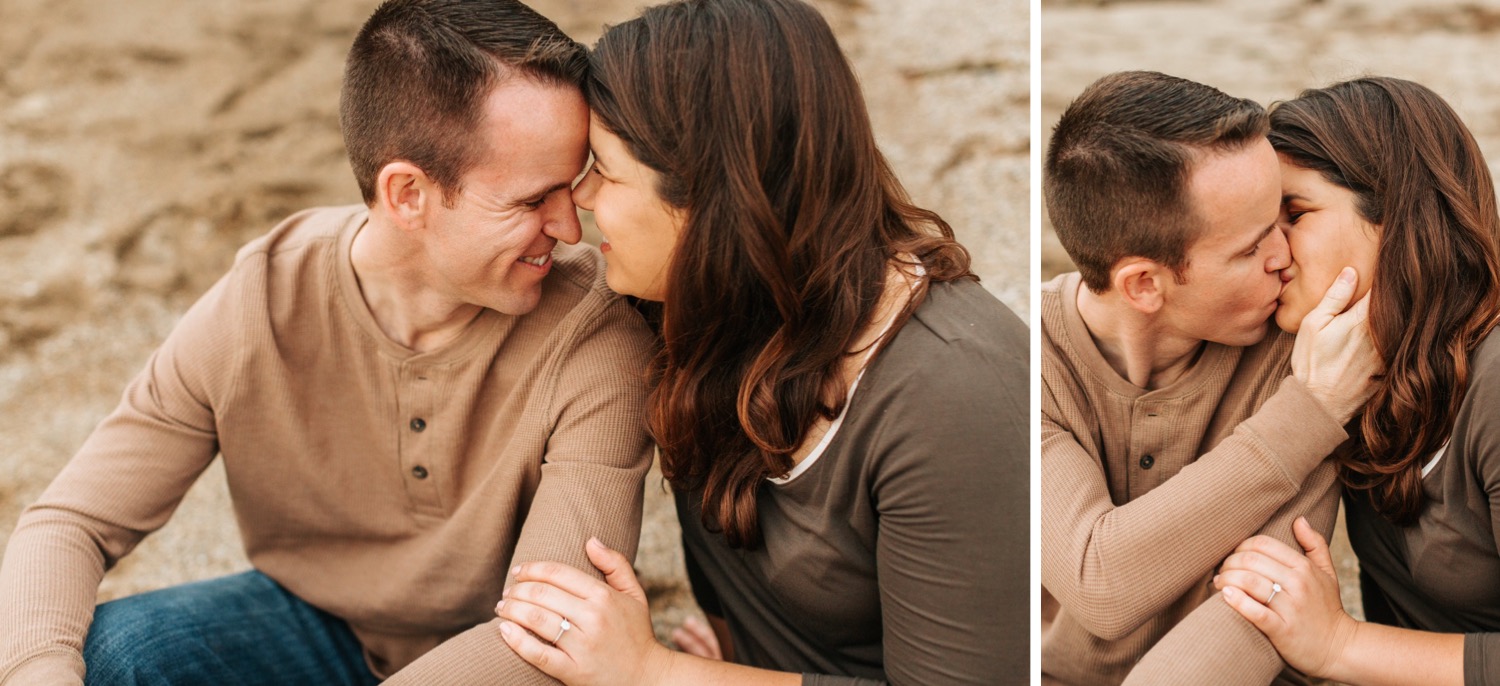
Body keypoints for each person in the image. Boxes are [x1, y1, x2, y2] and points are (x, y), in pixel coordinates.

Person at [0, 1, 657, 684]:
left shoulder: (597, 331)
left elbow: (551, 633)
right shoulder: (261, 299)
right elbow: (70, 522)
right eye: (531, 202)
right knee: (113, 656)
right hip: (315, 625)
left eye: (571, 187)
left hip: (495, 658)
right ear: (407, 195)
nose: (571, 229)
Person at [406, 0, 1028, 683]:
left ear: (713, 200)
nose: (578, 200)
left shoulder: (955, 396)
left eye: (604, 171)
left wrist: (658, 673)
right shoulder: (685, 299)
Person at [1039, 70, 1383, 685]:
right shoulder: (1024, 364)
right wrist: (1306, 416)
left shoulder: (1302, 354)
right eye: (1250, 249)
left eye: (1284, 218)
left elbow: (1260, 607)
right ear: (1145, 284)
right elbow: (1101, 582)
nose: (1285, 257)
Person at [1214, 77, 1500, 686]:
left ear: (1397, 217)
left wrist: (1339, 643)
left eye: (1294, 214)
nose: (1272, 250)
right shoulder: (1335, 363)